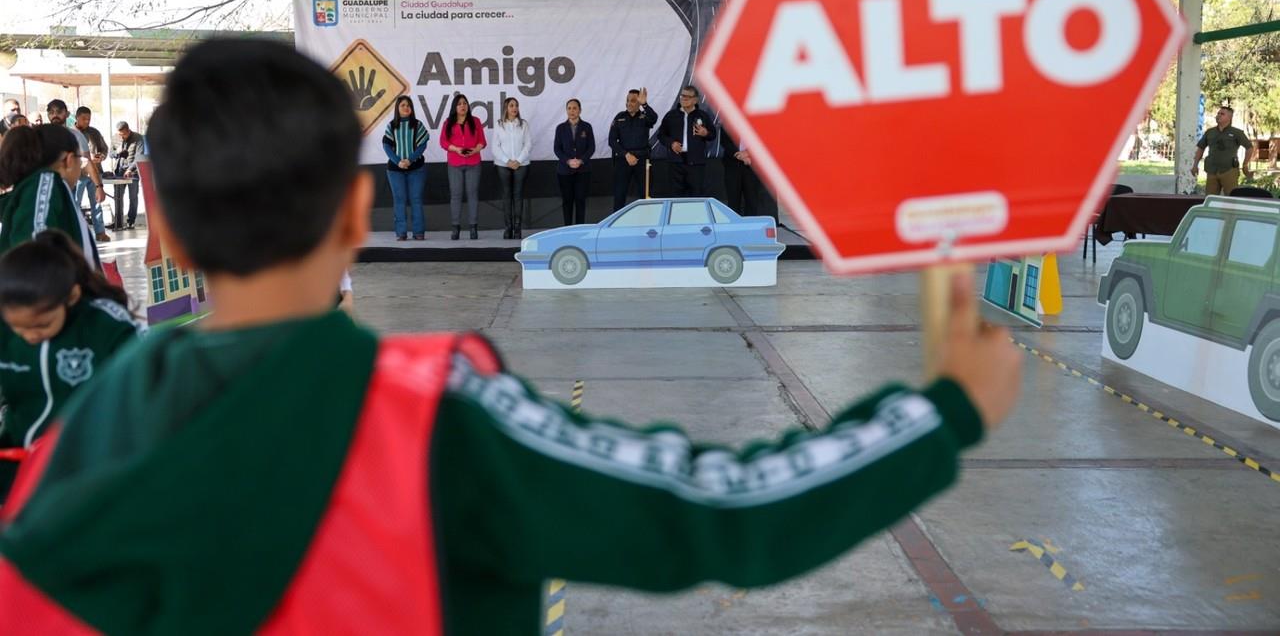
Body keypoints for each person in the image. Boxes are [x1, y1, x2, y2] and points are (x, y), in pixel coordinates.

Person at [0, 39, 1022, 635]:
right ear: (357, 218)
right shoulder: (436, 414)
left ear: (165, 229)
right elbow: (723, 510)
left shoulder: (64, 458)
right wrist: (941, 409)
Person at [0, 231, 143, 501]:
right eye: (18, 328)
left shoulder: (105, 326)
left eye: (42, 324)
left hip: (88, 467)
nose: (30, 335)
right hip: (19, 464)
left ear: (72, 297)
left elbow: (140, 390)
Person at [0, 125, 99, 268]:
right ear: (69, 160)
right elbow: (34, 248)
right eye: (80, 159)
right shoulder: (45, 182)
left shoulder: (44, 186)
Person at [45, 100, 108, 244]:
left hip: (69, 186)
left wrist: (99, 186)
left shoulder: (75, 136)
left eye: (59, 112)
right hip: (45, 188)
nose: (55, 115)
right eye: (51, 112)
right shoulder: (40, 134)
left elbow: (86, 162)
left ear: (66, 114)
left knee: (72, 215)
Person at [382, 95, 429, 242]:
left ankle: (419, 232)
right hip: (395, 170)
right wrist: (398, 161)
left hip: (416, 168)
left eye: (408, 105)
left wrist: (410, 160)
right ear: (397, 108)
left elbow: (423, 145)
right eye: (402, 105)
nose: (406, 107)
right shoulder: (391, 125)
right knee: (399, 200)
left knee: (416, 199)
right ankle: (401, 233)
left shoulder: (418, 125)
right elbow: (386, 146)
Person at [440, 93, 486, 240]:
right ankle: (455, 227)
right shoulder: (448, 122)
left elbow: (482, 141)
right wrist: (457, 149)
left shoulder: (476, 121)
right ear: (455, 107)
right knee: (456, 195)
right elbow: (443, 142)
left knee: (472, 194)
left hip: (473, 162)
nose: (462, 106)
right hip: (455, 162)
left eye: (464, 103)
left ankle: (473, 227)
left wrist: (475, 150)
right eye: (459, 103)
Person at [658, 85, 717, 197]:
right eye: (682, 96)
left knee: (696, 196)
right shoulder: (671, 115)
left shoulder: (703, 116)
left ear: (695, 100)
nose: (684, 99)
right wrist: (671, 143)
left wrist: (706, 133)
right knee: (675, 196)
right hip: (676, 163)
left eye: (688, 97)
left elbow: (713, 135)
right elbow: (661, 135)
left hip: (696, 164)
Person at [608, 87, 658, 211]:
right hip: (623, 160)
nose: (629, 103)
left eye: (633, 101)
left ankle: (646, 223)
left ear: (639, 103)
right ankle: (617, 226)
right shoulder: (619, 117)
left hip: (642, 160)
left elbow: (654, 118)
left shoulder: (644, 117)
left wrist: (645, 104)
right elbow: (612, 141)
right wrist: (626, 155)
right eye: (628, 100)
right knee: (619, 195)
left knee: (645, 194)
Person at [491, 97, 531, 239]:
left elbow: (528, 145)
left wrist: (518, 161)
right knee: (507, 196)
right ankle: (508, 227)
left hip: (521, 165)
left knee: (518, 196)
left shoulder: (523, 124)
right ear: (506, 108)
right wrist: (507, 161)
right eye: (511, 105)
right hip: (503, 165)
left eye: (516, 105)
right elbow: (495, 146)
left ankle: (518, 228)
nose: (514, 108)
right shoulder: (499, 124)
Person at [1193, 106, 1254, 196]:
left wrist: (1245, 165)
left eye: (1222, 114)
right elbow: (1201, 148)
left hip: (1229, 170)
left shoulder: (1237, 133)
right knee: (1210, 198)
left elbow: (1249, 148)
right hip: (1212, 171)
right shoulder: (1210, 132)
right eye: (1218, 113)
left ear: (1229, 118)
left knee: (1231, 198)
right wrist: (1195, 165)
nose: (1218, 115)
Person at [721, 126, 778, 219]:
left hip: (752, 165)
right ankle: (734, 227)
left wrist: (748, 153)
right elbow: (724, 141)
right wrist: (739, 155)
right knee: (733, 199)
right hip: (732, 165)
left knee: (751, 199)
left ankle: (750, 226)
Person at [73, 107, 111, 243]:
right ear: (76, 117)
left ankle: (100, 232)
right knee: (74, 204)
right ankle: (75, 234)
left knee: (97, 203)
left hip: (95, 173)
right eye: (84, 119)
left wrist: (101, 156)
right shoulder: (70, 133)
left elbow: (104, 148)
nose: (87, 121)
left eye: (89, 119)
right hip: (79, 174)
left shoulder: (94, 132)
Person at [554, 97, 595, 225]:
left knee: (580, 200)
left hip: (583, 170)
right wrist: (568, 161)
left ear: (580, 110)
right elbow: (557, 149)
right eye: (569, 108)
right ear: (566, 110)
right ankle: (567, 229)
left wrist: (581, 161)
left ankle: (579, 229)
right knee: (567, 201)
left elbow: (591, 147)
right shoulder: (560, 128)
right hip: (564, 171)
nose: (572, 111)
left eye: (575, 108)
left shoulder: (587, 127)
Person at [109, 121, 143, 231]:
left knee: (133, 197)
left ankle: (130, 221)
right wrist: (117, 153)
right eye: (120, 134)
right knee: (118, 197)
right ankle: (118, 221)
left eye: (123, 134)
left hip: (133, 173)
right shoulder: (115, 138)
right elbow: (110, 154)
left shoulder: (138, 138)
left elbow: (139, 156)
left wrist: (130, 169)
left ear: (128, 130)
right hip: (118, 172)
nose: (121, 136)